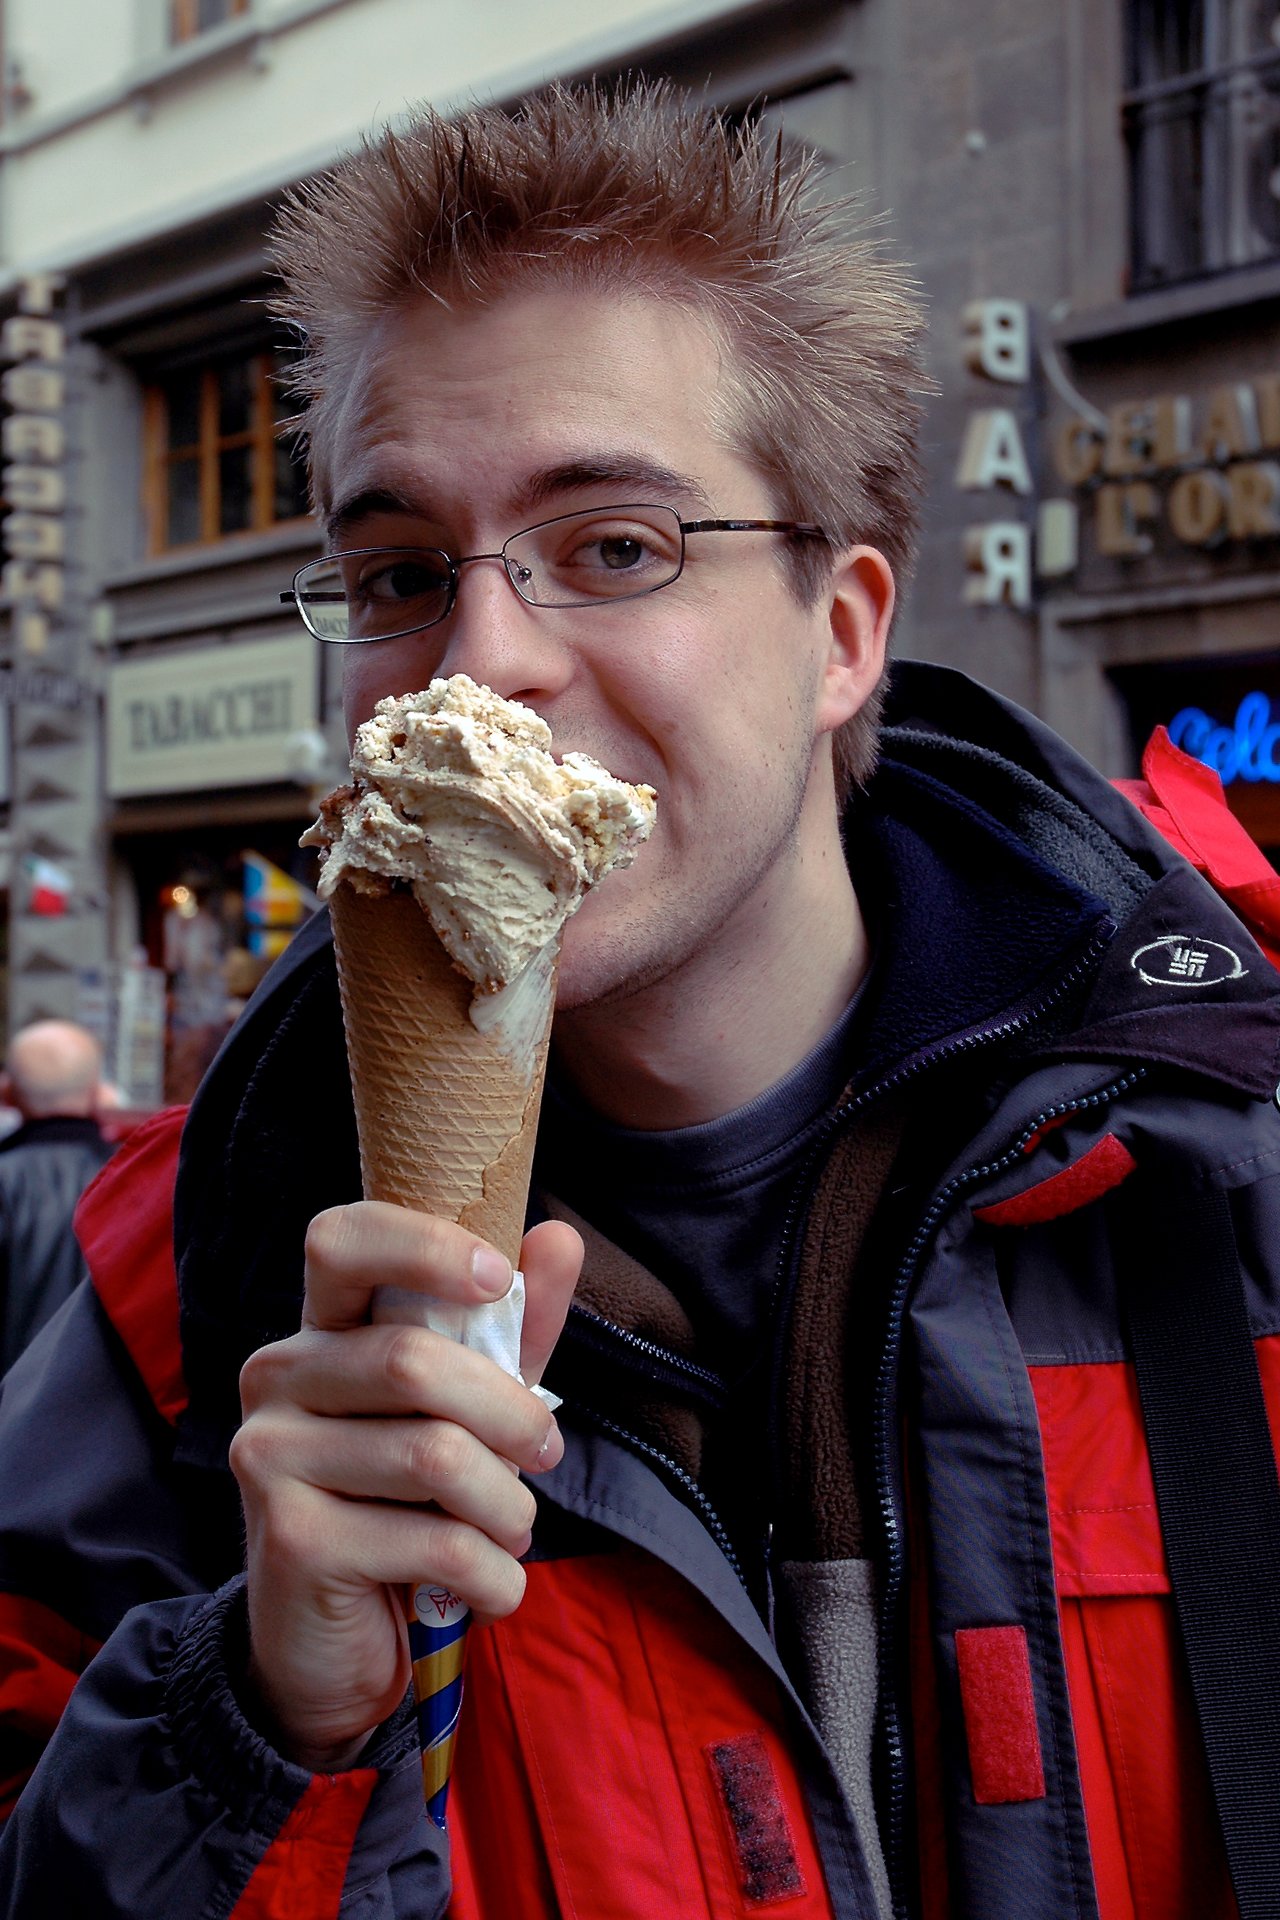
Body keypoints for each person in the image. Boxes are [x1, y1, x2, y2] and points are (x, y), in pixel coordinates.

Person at [0, 82, 1277, 1920]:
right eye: (399, 573)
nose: (485, 658)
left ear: (843, 636)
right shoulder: (177, 1296)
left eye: (615, 546)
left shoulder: (1227, 1172)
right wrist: (254, 1723)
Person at [0, 1019, 114, 1373]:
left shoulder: (7, 1177)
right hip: (107, 1408)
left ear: (8, 1094)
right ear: (97, 1091)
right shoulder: (129, 1178)